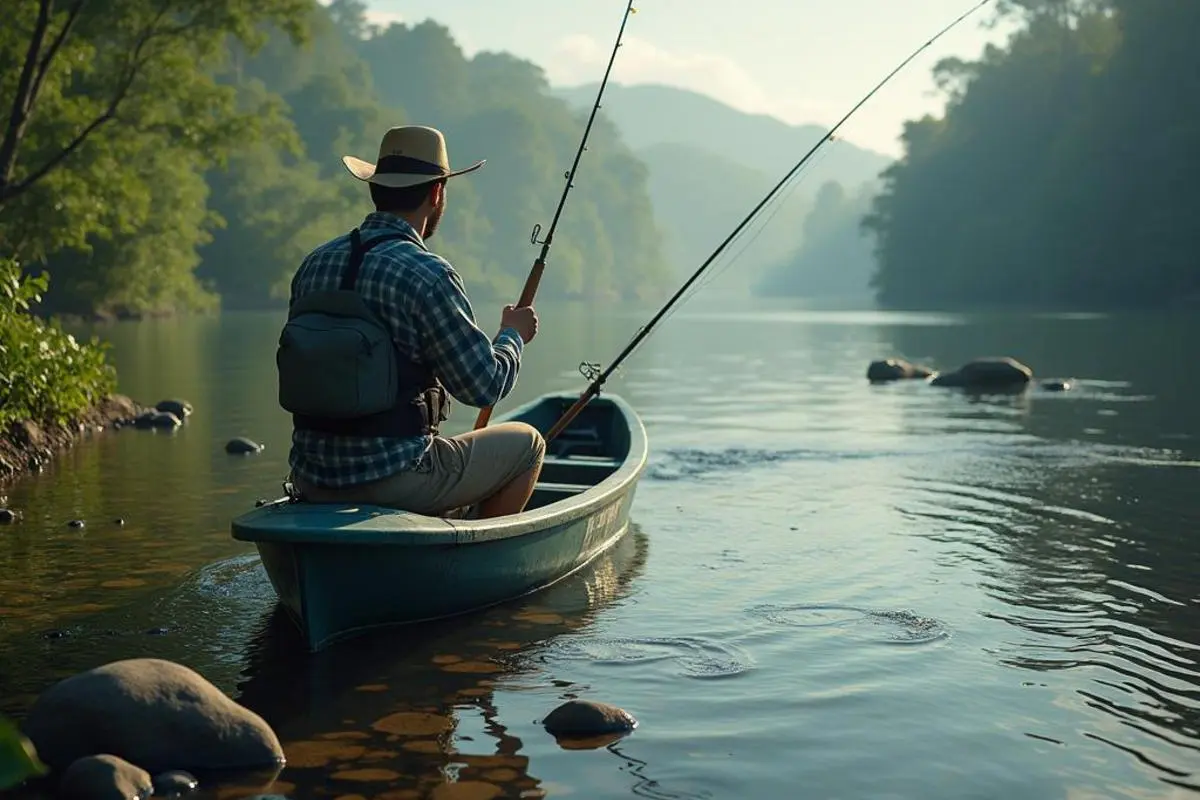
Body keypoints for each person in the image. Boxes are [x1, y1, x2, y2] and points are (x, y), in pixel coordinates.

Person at [276, 125, 545, 519]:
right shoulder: (428, 273)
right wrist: (512, 335)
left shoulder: (314, 264)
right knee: (529, 445)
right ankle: (467, 559)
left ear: (375, 188)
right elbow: (484, 386)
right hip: (395, 478)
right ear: (437, 193)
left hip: (310, 478)